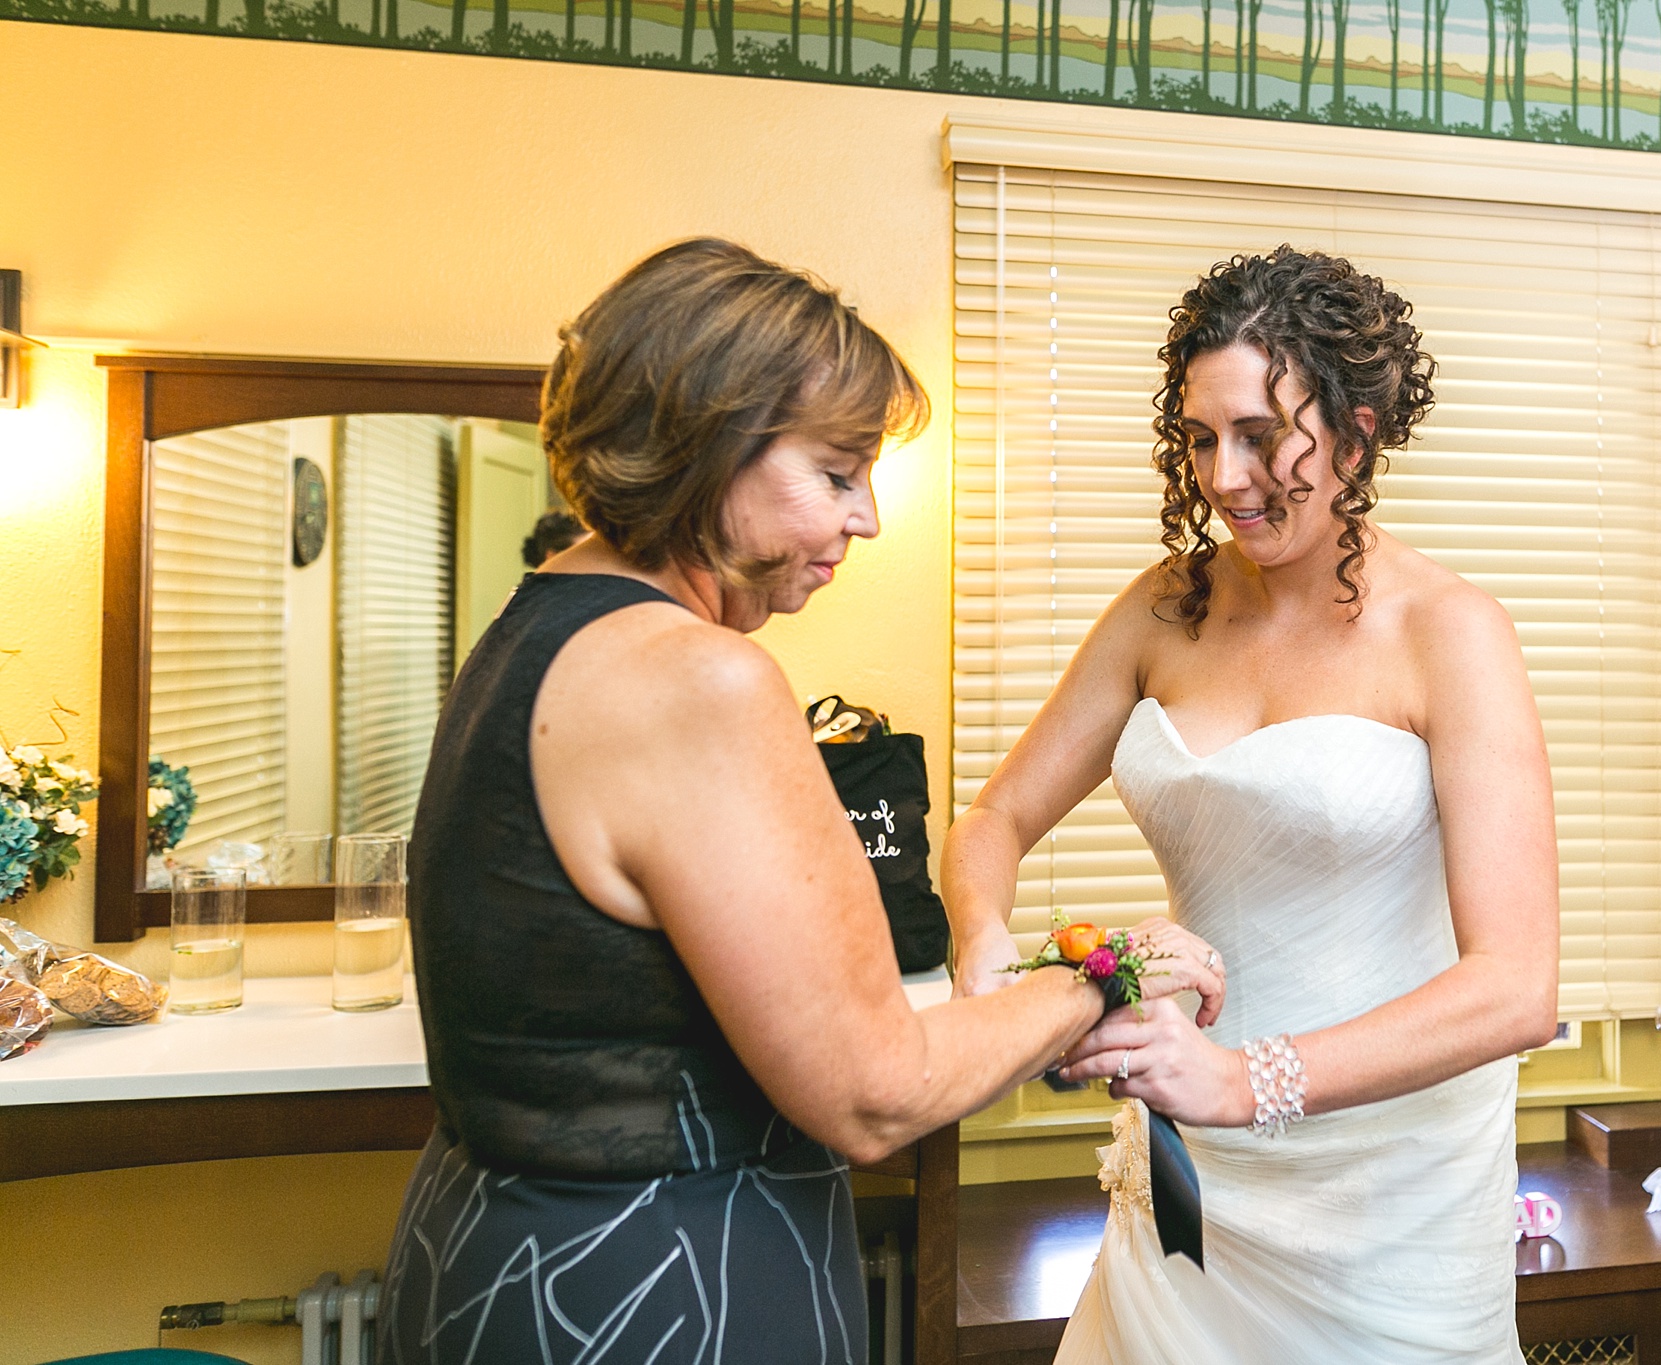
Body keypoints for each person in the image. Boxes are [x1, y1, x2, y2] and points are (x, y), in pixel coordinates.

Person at [375, 239, 1225, 1365]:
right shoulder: (698, 680)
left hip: (487, 1261)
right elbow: (875, 1094)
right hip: (659, 1291)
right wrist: (1104, 970)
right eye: (834, 475)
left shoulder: (531, 631)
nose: (865, 518)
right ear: (704, 446)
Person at [942, 246, 1560, 1363]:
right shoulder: (1158, 612)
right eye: (1197, 437)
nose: (1225, 477)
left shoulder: (1450, 633)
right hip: (1187, 1185)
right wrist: (985, 952)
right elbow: (991, 821)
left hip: (1386, 1205)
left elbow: (1513, 989)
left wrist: (1244, 1081)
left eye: (1260, 435)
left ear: (1358, 432)